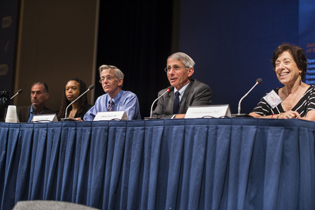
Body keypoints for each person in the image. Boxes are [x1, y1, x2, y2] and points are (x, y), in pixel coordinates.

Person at [249, 44, 315, 120]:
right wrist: (278, 116)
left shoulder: (312, 92)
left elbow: (311, 120)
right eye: (277, 64)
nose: (280, 67)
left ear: (300, 67)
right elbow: (252, 118)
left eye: (286, 62)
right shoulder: (274, 95)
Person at [152, 52, 212, 119]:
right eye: (169, 69)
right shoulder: (163, 94)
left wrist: (169, 117)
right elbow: (154, 118)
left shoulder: (201, 90)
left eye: (176, 68)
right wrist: (176, 117)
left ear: (189, 71)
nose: (171, 73)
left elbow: (195, 117)